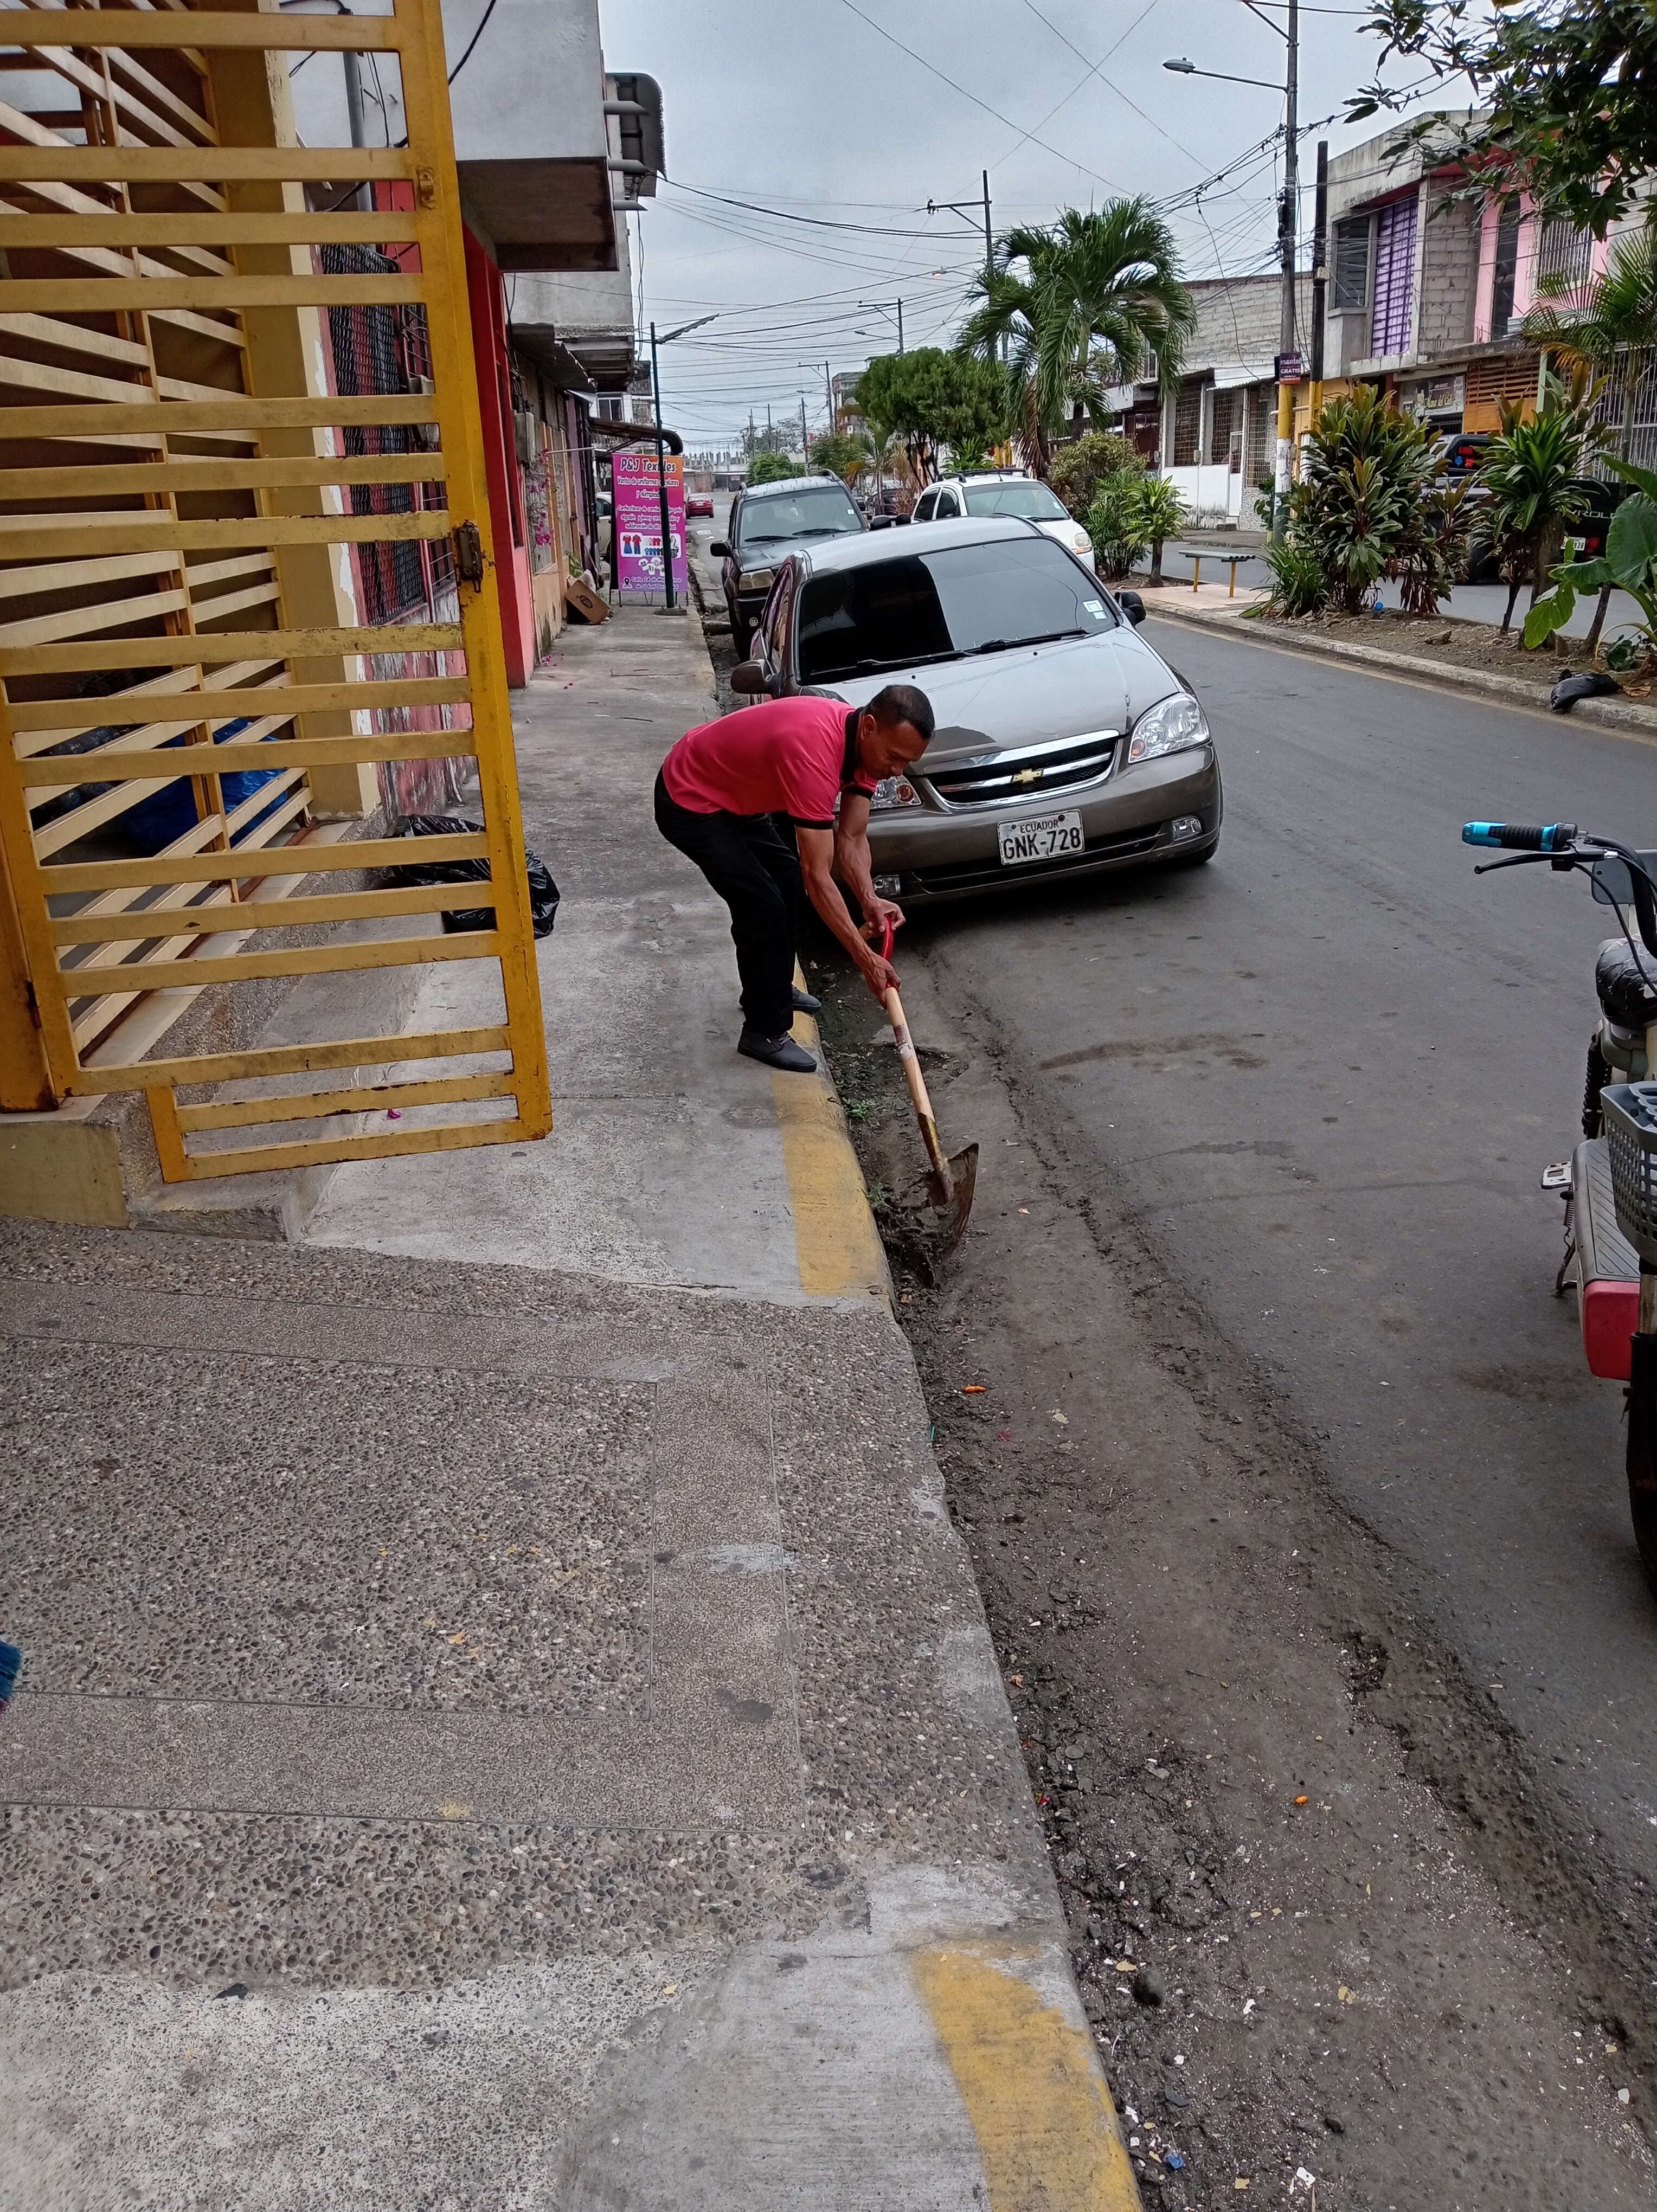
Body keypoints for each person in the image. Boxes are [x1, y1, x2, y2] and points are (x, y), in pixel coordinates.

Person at [654, 683, 934, 1071]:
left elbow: (852, 839)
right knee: (762, 906)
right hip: (690, 796)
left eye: (906, 761)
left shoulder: (867, 748)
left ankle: (773, 988)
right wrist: (865, 958)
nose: (897, 771)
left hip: (734, 793)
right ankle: (764, 1031)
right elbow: (818, 877)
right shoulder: (815, 754)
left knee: (784, 875)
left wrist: (869, 899)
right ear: (869, 727)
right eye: (894, 758)